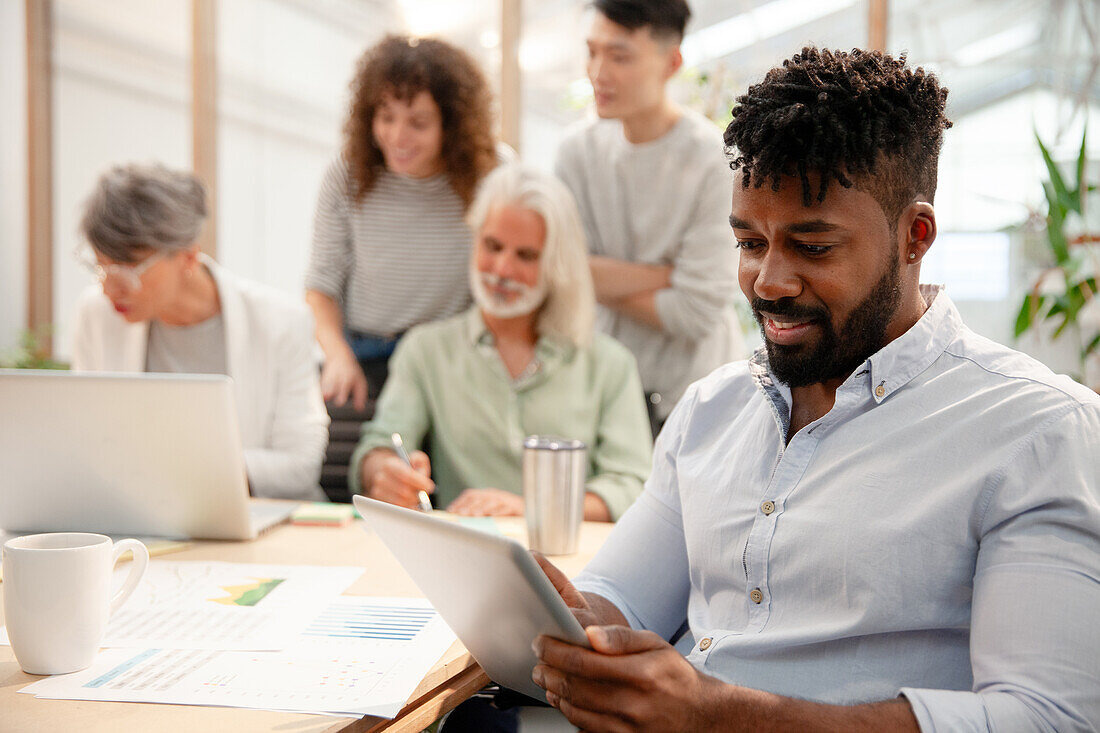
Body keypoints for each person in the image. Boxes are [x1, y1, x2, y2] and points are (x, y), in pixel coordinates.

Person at [530, 48, 1100, 732]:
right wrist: (564, 620)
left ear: (914, 237)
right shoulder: (712, 410)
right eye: (750, 242)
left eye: (813, 246)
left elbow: (1046, 718)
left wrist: (717, 715)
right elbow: (619, 594)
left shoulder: (1040, 430)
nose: (769, 280)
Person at [349, 164, 652, 523]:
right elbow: (379, 445)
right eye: (492, 246)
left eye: (526, 255)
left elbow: (633, 487)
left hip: (574, 563)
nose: (502, 270)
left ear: (557, 263)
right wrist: (384, 471)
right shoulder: (426, 350)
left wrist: (532, 511)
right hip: (461, 558)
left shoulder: (609, 365)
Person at [71, 163, 330, 501]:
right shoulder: (97, 314)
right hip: (142, 520)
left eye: (128, 269)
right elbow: (88, 443)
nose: (109, 288)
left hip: (263, 519)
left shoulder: (282, 321)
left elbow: (299, 466)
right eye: (101, 267)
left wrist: (175, 474)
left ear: (188, 258)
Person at [555, 0, 743, 435]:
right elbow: (560, 275)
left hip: (697, 398)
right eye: (592, 51)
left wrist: (595, 281)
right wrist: (666, 275)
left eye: (619, 56)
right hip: (604, 397)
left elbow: (695, 311)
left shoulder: (716, 161)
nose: (598, 72)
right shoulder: (576, 153)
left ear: (671, 62)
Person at [306, 34, 498, 411]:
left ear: (453, 125)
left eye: (418, 123)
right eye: (386, 117)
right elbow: (320, 287)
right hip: (363, 352)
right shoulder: (347, 176)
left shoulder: (491, 177)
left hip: (450, 358)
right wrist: (338, 356)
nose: (397, 136)